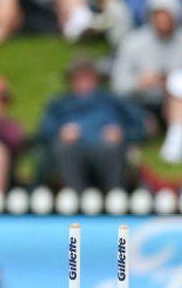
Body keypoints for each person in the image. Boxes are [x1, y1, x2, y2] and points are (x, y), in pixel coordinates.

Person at [39, 56, 148, 191]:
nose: (83, 82)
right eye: (78, 78)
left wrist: (122, 133)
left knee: (111, 149)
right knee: (64, 149)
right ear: (71, 80)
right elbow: (44, 131)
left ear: (96, 78)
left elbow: (141, 127)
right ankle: (75, 201)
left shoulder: (114, 101)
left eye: (87, 77)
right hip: (74, 150)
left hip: (108, 150)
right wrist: (61, 133)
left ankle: (115, 197)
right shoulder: (59, 104)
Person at [112, 0, 182, 138]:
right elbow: (118, 85)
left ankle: (174, 140)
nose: (162, 20)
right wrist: (140, 83)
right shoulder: (133, 43)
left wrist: (170, 84)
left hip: (174, 102)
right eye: (158, 15)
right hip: (141, 101)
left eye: (167, 15)